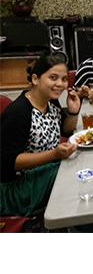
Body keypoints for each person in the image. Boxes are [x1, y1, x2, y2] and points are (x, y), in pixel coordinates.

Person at [0, 54, 79, 217]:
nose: (60, 84)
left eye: (64, 79)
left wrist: (73, 111)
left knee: (81, 163)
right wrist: (54, 154)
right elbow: (7, 162)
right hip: (16, 187)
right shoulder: (18, 113)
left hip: (47, 169)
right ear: (35, 79)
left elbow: (65, 130)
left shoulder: (50, 101)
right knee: (77, 174)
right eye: (53, 77)